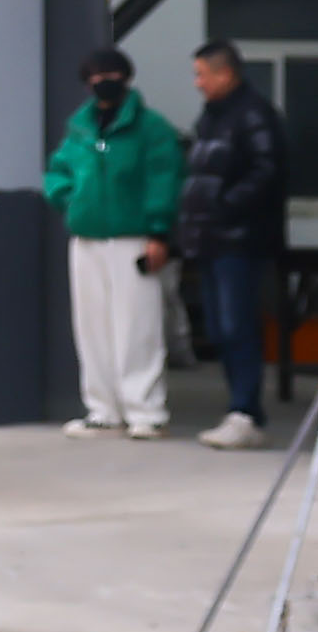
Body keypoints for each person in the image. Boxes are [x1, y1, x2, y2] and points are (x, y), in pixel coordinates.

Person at [45, 45, 184, 439]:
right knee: (92, 326)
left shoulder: (152, 128)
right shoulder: (80, 128)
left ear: (126, 77)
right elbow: (57, 172)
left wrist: (159, 232)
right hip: (87, 238)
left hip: (134, 239)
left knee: (138, 325)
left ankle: (146, 410)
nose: (100, 82)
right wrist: (70, 202)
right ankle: (102, 408)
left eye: (108, 74)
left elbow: (164, 178)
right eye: (93, 75)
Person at [173, 36, 291, 451]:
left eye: (201, 74)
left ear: (225, 74)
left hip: (240, 241)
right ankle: (239, 409)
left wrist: (224, 207)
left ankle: (246, 412)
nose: (197, 83)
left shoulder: (253, 116)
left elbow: (266, 172)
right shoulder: (213, 117)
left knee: (238, 325)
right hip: (210, 240)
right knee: (221, 328)